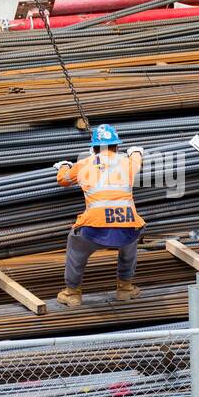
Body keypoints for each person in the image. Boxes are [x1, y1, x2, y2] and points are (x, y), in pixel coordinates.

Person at [54, 124, 145, 308]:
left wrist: (64, 166)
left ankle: (72, 293)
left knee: (76, 248)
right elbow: (137, 160)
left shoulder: (84, 164)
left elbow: (62, 180)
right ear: (117, 147)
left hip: (93, 228)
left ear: (93, 148)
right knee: (130, 240)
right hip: (126, 225)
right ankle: (125, 289)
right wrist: (136, 152)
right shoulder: (127, 163)